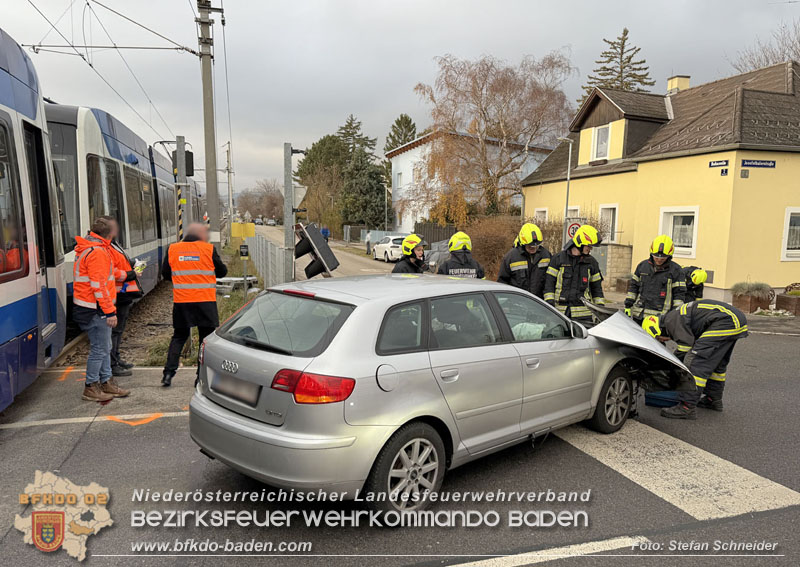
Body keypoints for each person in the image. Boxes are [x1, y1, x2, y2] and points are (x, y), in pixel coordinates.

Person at [642, 299, 748, 419]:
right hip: (734, 320)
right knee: (716, 364)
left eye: (658, 339)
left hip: (724, 321)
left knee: (695, 362)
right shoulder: (674, 316)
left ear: (657, 330)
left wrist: (671, 369)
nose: (662, 340)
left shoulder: (671, 321)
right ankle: (713, 399)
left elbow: (684, 348)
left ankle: (687, 407)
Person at [161, 222, 228, 387]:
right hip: (205, 302)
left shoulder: (172, 249)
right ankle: (200, 376)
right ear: (201, 236)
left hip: (182, 301)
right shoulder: (208, 249)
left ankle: (168, 375)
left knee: (178, 337)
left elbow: (165, 274)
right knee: (205, 341)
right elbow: (222, 272)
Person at [72, 217, 130, 402]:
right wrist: (109, 311)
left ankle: (106, 382)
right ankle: (90, 386)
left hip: (89, 307)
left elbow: (105, 277)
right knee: (100, 349)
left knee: (105, 347)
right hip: (95, 309)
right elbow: (99, 286)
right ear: (110, 234)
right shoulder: (98, 252)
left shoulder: (89, 248)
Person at [105, 216, 143, 377]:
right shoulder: (106, 247)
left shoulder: (113, 245)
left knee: (118, 330)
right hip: (116, 294)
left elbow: (120, 263)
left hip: (122, 293)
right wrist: (130, 274)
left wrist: (132, 264)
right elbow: (111, 271)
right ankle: (112, 364)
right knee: (114, 331)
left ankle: (116, 358)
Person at [543, 225, 605, 325]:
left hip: (584, 316)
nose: (590, 249)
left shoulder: (592, 263)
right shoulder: (558, 259)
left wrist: (601, 310)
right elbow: (549, 285)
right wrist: (550, 304)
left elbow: (597, 290)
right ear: (580, 243)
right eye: (589, 246)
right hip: (560, 313)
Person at [625, 235, 686, 324]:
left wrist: (675, 314)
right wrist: (628, 304)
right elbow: (634, 287)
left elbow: (679, 295)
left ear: (669, 256)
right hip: (639, 315)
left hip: (661, 318)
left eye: (663, 258)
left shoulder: (676, 270)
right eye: (656, 257)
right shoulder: (642, 266)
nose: (659, 260)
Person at [497, 223, 551, 298]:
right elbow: (502, 282)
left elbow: (550, 281)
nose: (533, 248)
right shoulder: (511, 258)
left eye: (536, 245)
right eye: (530, 246)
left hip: (539, 303)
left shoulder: (546, 256)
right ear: (523, 243)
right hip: (517, 302)